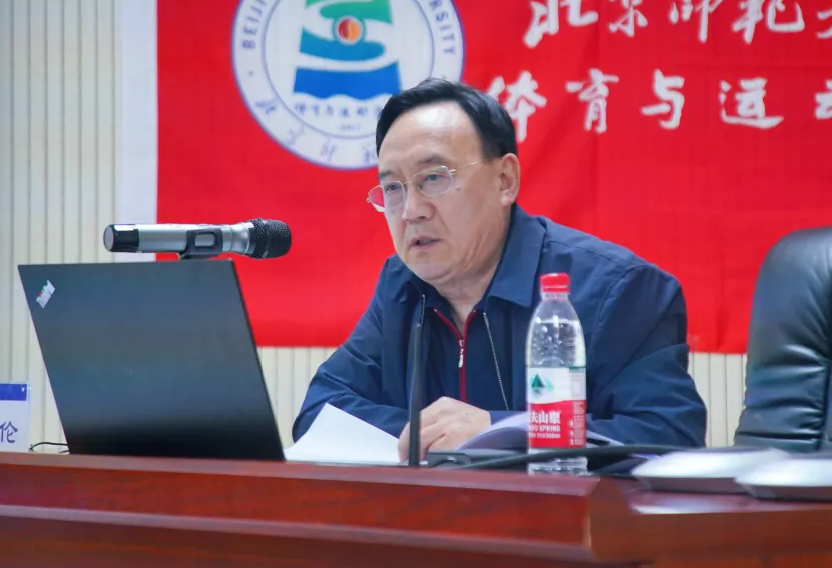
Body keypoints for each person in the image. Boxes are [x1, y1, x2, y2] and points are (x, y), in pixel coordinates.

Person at [292, 78, 707, 461]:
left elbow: (668, 438)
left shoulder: (616, 289)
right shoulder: (402, 285)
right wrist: (430, 434)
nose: (411, 210)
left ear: (505, 180)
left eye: (433, 177)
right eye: (393, 188)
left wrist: (497, 432)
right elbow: (320, 412)